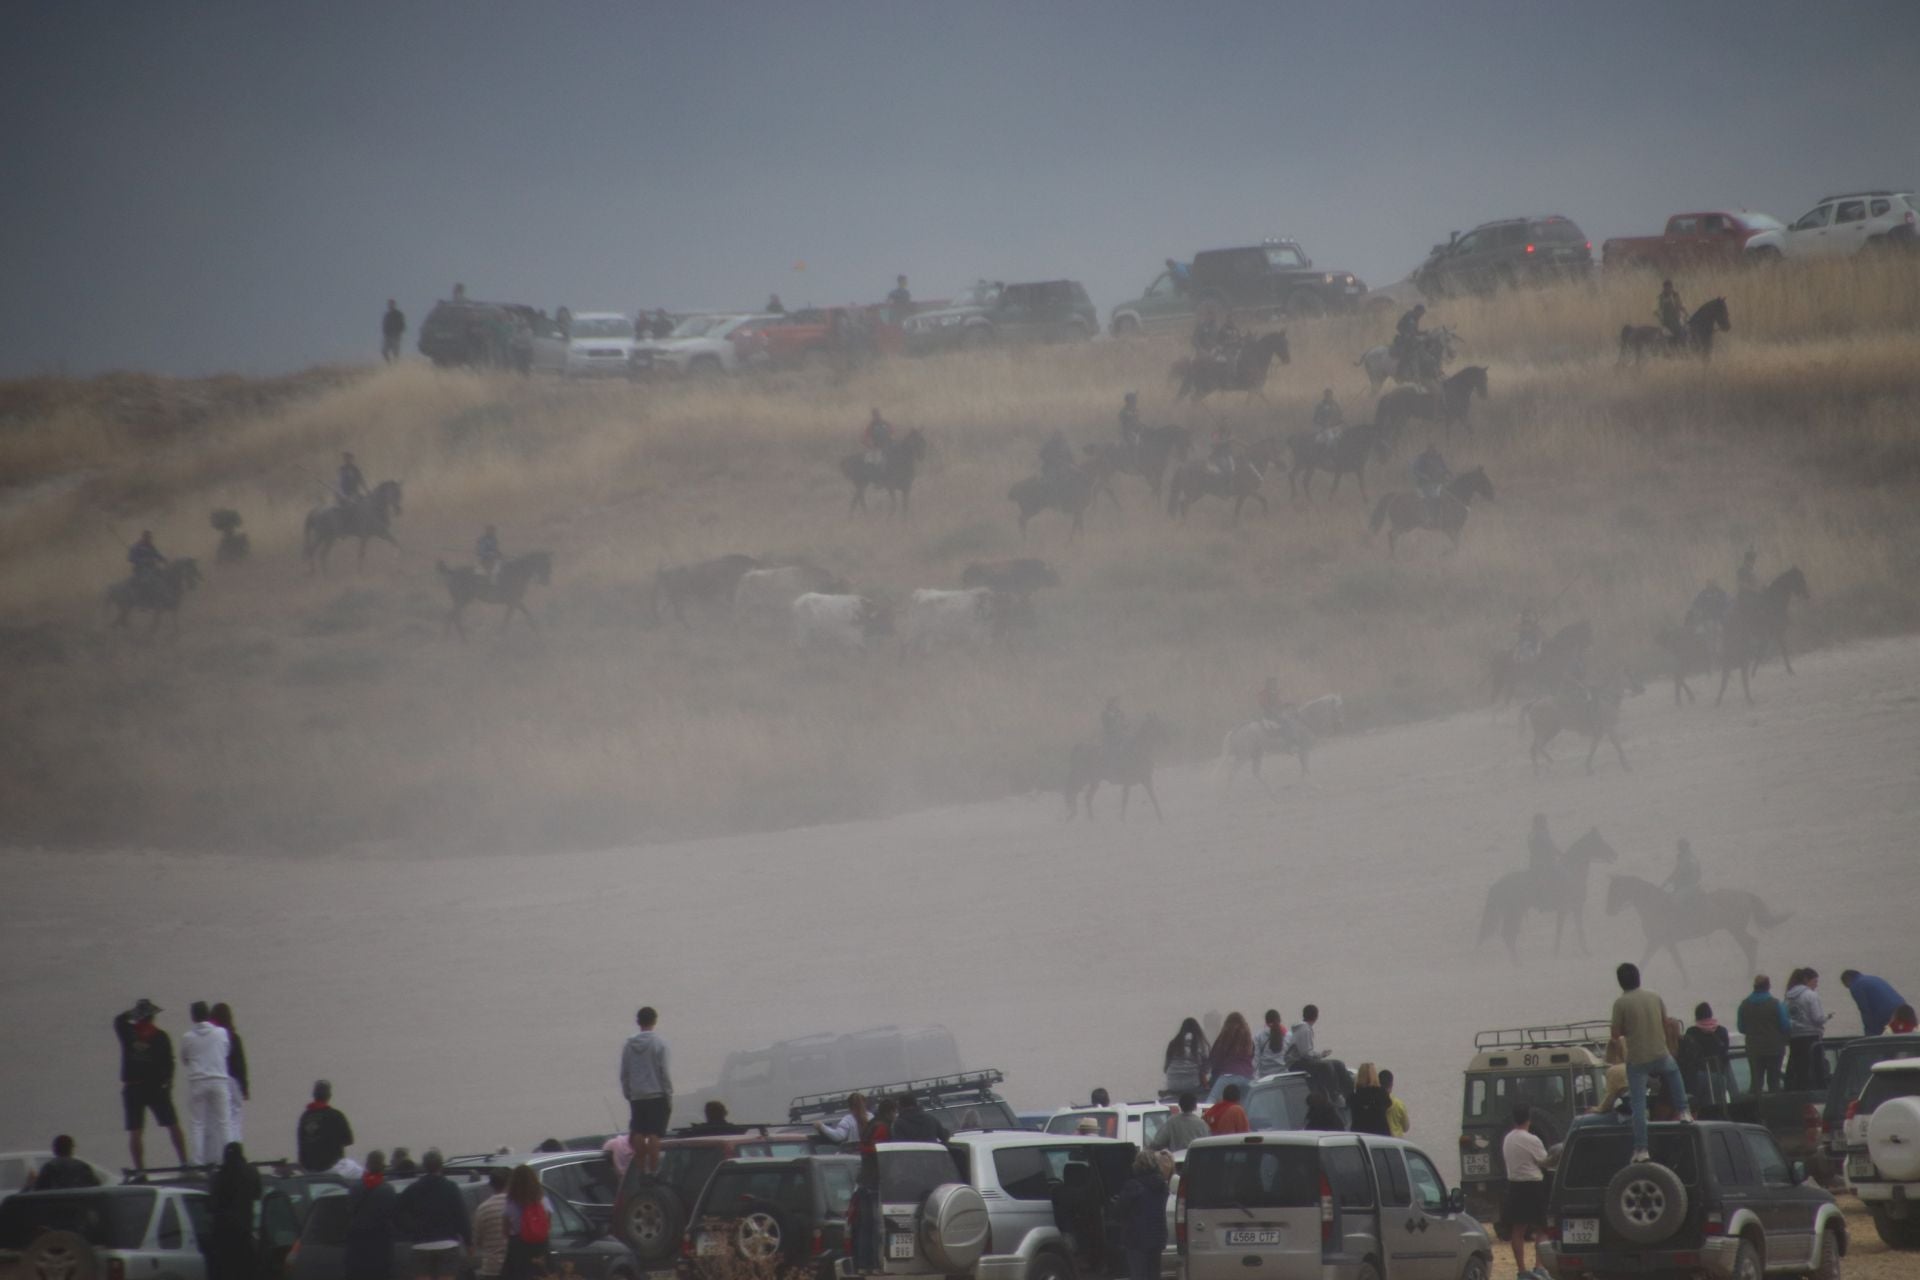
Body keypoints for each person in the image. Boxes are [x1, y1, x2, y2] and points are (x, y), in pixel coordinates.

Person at [1610, 962, 1694, 1163]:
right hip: (1660, 1053)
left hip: (1637, 1060)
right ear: (1639, 977)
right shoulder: (1655, 996)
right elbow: (1665, 1022)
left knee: (1638, 1106)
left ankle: (1641, 1150)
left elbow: (1615, 1034)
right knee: (1674, 1074)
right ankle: (1684, 1111)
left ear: (1621, 982)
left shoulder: (1620, 1003)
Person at [115, 998, 188, 1173]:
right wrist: (168, 1085)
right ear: (153, 1017)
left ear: (138, 1016)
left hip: (133, 1088)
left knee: (135, 1131)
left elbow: (118, 1020)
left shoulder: (128, 1032)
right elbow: (170, 1064)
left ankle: (140, 1170)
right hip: (156, 1088)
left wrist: (133, 1013)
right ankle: (185, 1163)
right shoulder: (161, 1037)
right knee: (173, 1125)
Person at [396, 1149, 470, 1280]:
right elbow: (461, 1216)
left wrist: (410, 1230)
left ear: (424, 1166)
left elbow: (398, 1213)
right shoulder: (451, 1187)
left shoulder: (412, 1189)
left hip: (421, 1244)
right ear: (441, 1165)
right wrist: (469, 1241)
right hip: (447, 1244)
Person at [1502, 1103, 1552, 1280]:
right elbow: (1544, 1161)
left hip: (1515, 1185)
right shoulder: (1532, 1139)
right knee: (1543, 1228)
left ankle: (1521, 1270)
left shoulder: (1507, 1138)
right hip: (1533, 1186)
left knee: (1518, 1230)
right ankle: (1539, 1267)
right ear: (1529, 1118)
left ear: (1514, 1118)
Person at [621, 1005, 672, 1176]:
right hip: (656, 1093)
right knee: (654, 1133)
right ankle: (653, 1168)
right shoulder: (659, 1043)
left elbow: (625, 1071)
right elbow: (663, 1070)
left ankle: (640, 1168)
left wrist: (628, 1092)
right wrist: (668, 1093)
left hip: (637, 1095)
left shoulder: (629, 1044)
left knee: (638, 1131)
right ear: (655, 1021)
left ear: (638, 1022)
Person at [180, 1002, 232, 1166]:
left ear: (193, 1017)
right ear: (208, 1015)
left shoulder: (187, 1037)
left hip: (198, 1081)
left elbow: (184, 1059)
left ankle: (197, 1161)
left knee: (197, 1123)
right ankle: (228, 1158)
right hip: (219, 1080)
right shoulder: (221, 1032)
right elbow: (227, 1051)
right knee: (224, 1121)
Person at [205, 1142, 261, 1280]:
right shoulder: (251, 1172)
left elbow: (212, 1204)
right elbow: (257, 1194)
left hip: (222, 1237)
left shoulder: (218, 1176)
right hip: (244, 1234)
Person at [1111, 1149, 1169, 1280]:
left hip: (1136, 1239)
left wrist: (1116, 1202)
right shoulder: (1162, 1186)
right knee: (1154, 1275)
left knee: (1139, 1275)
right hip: (1157, 1237)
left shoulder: (1133, 1185)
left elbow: (1118, 1211)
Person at [345, 1150, 400, 1280]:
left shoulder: (355, 1188)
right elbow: (393, 1214)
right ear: (382, 1166)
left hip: (358, 1241)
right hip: (381, 1242)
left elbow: (349, 1210)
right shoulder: (388, 1190)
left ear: (367, 1165)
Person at [1737, 975, 1790, 1094]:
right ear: (1768, 986)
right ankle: (1775, 1108)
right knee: (1774, 1081)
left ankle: (1755, 1109)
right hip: (1774, 1048)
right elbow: (1785, 1025)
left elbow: (1741, 1028)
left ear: (1754, 987)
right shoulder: (1776, 1004)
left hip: (1753, 1048)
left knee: (1756, 1082)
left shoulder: (1744, 1005)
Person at [1679, 1003, 1733, 1113]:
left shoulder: (1692, 1032)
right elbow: (1725, 1051)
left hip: (1698, 1074)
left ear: (1697, 1016)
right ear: (1710, 1014)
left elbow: (1688, 1053)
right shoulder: (1722, 1031)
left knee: (1700, 1107)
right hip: (1719, 1073)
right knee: (1719, 1106)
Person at [1785, 968, 1833, 1088]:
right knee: (1817, 1067)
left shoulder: (1788, 996)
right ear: (1806, 980)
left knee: (1799, 1068)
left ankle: (1799, 1092)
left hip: (1795, 1036)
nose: (1816, 985)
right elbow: (1817, 1018)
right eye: (1815, 981)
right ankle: (1819, 1092)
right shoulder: (1810, 995)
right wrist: (1827, 1017)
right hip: (1811, 1036)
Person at [501, 1165, 551, 1280]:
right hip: (541, 1247)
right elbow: (548, 1225)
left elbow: (505, 1230)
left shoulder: (510, 1203)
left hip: (518, 1248)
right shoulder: (543, 1200)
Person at [209, 1004, 248, 1145]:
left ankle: (219, 1152)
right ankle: (236, 1149)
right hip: (232, 1082)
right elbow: (240, 1064)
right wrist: (244, 1087)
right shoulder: (233, 1037)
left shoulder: (211, 1039)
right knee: (234, 1120)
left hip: (215, 1081)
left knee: (217, 1121)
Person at [297, 1079, 355, 1173]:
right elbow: (349, 1140)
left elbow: (300, 1143)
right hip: (333, 1169)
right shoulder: (336, 1115)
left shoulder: (305, 1117)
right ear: (329, 1095)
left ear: (314, 1095)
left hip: (310, 1170)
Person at [1841, 969, 1909, 1037]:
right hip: (1903, 1007)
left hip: (1888, 1011)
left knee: (1876, 1034)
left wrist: (1868, 1033)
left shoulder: (1856, 985)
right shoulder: (1873, 978)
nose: (1849, 988)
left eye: (1847, 986)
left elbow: (1864, 1010)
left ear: (1847, 980)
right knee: (1902, 1034)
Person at [471, 1169, 512, 1280]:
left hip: (491, 1268)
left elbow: (477, 1240)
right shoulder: (516, 1206)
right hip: (514, 1266)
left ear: (491, 1185)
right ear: (509, 1182)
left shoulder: (483, 1208)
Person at [1208, 1012, 1256, 1093]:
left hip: (1227, 1076)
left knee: (1211, 1103)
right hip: (1247, 1077)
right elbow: (1252, 1058)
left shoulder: (1223, 1039)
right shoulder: (1249, 1041)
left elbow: (1214, 1059)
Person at [1163, 1018, 1210, 1098]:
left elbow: (1165, 1069)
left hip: (1172, 1085)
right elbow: (1203, 1072)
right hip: (1192, 1086)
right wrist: (1207, 1087)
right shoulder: (1200, 1045)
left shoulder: (1173, 1044)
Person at [33, 1136, 101, 1190]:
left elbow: (38, 1190)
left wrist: (31, 1183)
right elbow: (97, 1186)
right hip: (80, 1204)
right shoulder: (83, 1167)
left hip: (55, 1204)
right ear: (71, 1149)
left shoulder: (49, 1167)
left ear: (55, 1149)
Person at [1349, 1064, 1393, 1136]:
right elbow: (1389, 1105)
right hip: (1380, 1133)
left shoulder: (1354, 1096)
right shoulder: (1381, 1094)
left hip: (1359, 1133)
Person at [1663, 838, 1702, 906]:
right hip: (1683, 886)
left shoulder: (1688, 859)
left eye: (1680, 846)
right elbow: (1675, 872)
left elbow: (1678, 873)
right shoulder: (1685, 858)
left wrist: (1667, 883)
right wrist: (1666, 883)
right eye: (1679, 846)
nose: (1679, 849)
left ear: (1685, 847)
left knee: (1674, 901)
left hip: (1688, 887)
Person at [1392, 303, 1426, 374]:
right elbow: (1398, 326)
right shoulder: (1408, 316)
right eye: (1421, 313)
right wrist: (1405, 334)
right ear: (1417, 311)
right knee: (1408, 353)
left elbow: (1415, 332)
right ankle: (1400, 370)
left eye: (1422, 314)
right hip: (1403, 340)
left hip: (1411, 340)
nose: (1421, 315)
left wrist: (1424, 333)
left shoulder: (1416, 318)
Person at [1254, 1008, 1290, 1076]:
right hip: (1283, 1076)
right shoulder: (1288, 1036)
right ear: (1280, 1021)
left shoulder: (1259, 1036)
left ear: (1266, 1022)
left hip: (1265, 1077)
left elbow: (1255, 1059)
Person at [1380, 1070, 1410, 1137]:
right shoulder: (1399, 1104)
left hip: (1380, 1139)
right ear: (1391, 1085)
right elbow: (1406, 1127)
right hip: (1396, 1140)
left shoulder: (1375, 1103)